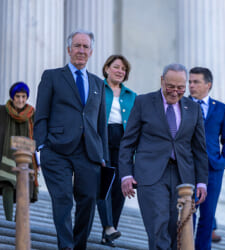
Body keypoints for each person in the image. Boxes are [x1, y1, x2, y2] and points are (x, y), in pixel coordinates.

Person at [119, 63, 208, 250]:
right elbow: (128, 143)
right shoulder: (143, 102)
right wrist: (126, 174)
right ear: (162, 81)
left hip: (183, 177)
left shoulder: (193, 109)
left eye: (180, 88)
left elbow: (199, 149)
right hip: (151, 175)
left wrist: (201, 182)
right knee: (158, 225)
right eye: (170, 87)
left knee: (178, 229)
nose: (175, 92)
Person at [34, 29, 108, 250]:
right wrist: (41, 146)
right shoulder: (52, 76)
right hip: (56, 149)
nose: (81, 51)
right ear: (68, 49)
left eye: (85, 47)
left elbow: (100, 124)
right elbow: (41, 115)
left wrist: (103, 155)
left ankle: (78, 246)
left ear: (91, 52)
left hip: (89, 152)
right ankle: (65, 247)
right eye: (77, 46)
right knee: (64, 199)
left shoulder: (98, 84)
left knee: (87, 201)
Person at [188, 67, 225, 249]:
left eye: (196, 82)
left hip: (213, 169)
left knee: (208, 216)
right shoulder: (181, 104)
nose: (191, 85)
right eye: (189, 82)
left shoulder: (221, 109)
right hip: (187, 167)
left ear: (208, 85)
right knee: (187, 213)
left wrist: (224, 161)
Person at [96, 55, 136, 246]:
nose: (120, 71)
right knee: (104, 184)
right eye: (117, 67)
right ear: (107, 69)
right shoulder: (96, 88)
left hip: (124, 143)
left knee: (120, 189)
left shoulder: (131, 95)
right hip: (102, 140)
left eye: (124, 69)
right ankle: (108, 226)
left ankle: (110, 231)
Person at [0, 82, 39, 221]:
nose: (21, 100)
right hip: (6, 154)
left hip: (27, 156)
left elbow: (38, 135)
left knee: (26, 187)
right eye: (17, 96)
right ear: (12, 97)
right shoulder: (3, 111)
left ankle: (19, 222)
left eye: (23, 96)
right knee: (8, 182)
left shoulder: (32, 114)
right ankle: (9, 222)